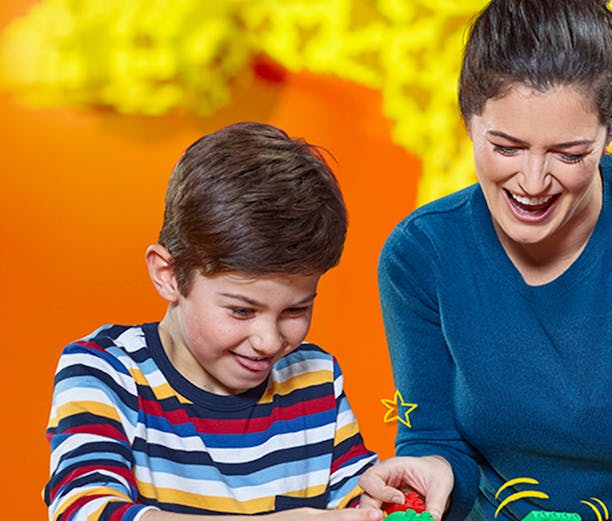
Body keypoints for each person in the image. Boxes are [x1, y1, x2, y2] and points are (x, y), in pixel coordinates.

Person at [358, 1, 612, 520]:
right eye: (506, 147)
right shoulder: (420, 254)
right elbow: (432, 438)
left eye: (569, 154)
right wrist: (430, 471)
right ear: (468, 119)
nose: (533, 181)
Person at [44, 122, 383, 521]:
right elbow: (85, 510)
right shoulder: (107, 371)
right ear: (169, 274)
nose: (268, 341)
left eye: (296, 310)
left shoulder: (315, 378)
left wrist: (386, 501)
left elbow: (355, 500)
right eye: (242, 310)